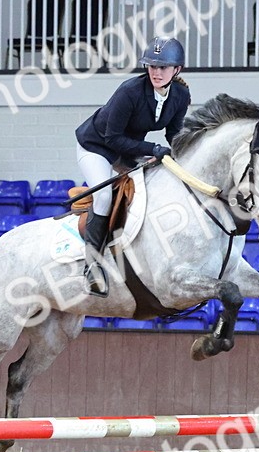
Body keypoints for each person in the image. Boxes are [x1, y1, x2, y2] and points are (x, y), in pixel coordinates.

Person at [73, 36, 190, 289]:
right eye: (152, 66)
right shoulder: (130, 91)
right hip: (96, 146)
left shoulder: (181, 95)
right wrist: (152, 149)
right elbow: (112, 138)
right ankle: (92, 266)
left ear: (177, 69)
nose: (156, 72)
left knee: (151, 189)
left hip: (127, 149)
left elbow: (174, 133)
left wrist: (183, 154)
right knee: (104, 196)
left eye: (163, 67)